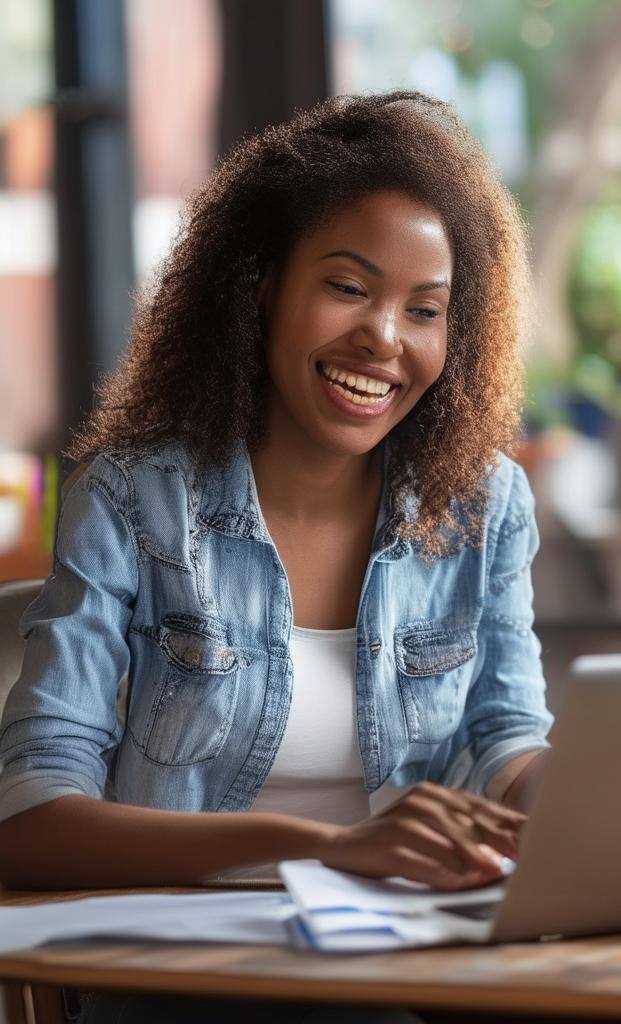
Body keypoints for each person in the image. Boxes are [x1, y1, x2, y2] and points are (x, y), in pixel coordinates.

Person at [0, 91, 553, 901]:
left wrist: (580, 811)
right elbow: (30, 822)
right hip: (185, 970)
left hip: (411, 948)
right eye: (348, 287)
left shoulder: (483, 505)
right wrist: (327, 848)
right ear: (261, 287)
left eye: (424, 309)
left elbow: (507, 740)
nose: (385, 338)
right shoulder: (132, 499)